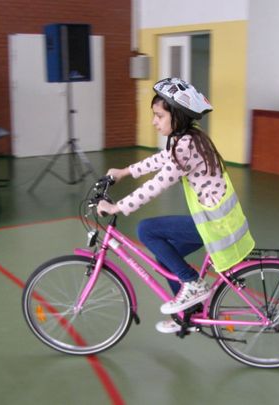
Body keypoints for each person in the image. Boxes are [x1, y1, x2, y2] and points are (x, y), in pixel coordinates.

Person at [98, 78, 255, 333]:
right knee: (165, 259)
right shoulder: (189, 138)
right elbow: (161, 159)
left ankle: (193, 283)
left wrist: (118, 207)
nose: (154, 121)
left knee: (147, 230)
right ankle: (188, 313)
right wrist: (125, 172)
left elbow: (157, 184)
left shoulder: (185, 147)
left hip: (213, 225)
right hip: (215, 222)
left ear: (177, 116)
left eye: (159, 116)